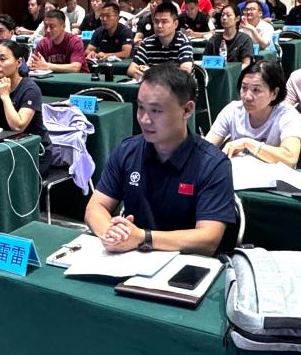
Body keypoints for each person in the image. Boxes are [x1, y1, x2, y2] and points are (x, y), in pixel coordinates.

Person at [85, 64, 237, 255]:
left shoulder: (213, 164)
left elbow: (208, 239)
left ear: (187, 110)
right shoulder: (127, 150)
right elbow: (95, 207)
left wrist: (143, 238)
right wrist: (112, 233)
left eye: (156, 111)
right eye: (141, 107)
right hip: (133, 257)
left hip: (187, 263)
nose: (144, 119)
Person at [0, 39, 52, 174]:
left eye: (2, 59)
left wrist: (5, 96)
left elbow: (18, 126)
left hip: (33, 152)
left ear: (18, 62)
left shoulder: (30, 89)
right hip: (2, 148)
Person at [205, 60, 301, 168]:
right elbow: (206, 148)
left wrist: (248, 143)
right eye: (244, 87)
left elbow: (290, 158)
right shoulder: (232, 110)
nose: (247, 96)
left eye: (256, 90)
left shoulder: (287, 115)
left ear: (274, 93)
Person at [128, 2, 194, 79]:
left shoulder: (184, 42)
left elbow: (185, 72)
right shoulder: (146, 43)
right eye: (156, 21)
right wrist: (139, 73)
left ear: (175, 24)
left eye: (164, 22)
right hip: (155, 85)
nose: (159, 26)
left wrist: (152, 72)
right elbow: (131, 69)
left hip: (179, 86)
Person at [205, 3, 253, 67]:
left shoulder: (245, 39)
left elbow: (246, 63)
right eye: (222, 15)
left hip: (238, 72)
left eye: (228, 15)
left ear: (237, 18)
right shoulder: (214, 39)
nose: (224, 18)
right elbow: (206, 61)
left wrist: (232, 71)